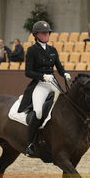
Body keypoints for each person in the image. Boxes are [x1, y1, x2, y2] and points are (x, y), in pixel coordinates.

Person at [17, 20, 71, 157]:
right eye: (43, 33)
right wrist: (42, 76)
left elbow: (58, 67)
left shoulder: (53, 50)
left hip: (52, 82)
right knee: (39, 111)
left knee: (65, 105)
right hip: (40, 84)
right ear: (36, 35)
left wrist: (64, 73)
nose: (46, 35)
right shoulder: (32, 50)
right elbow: (28, 72)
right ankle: (29, 144)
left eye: (48, 32)